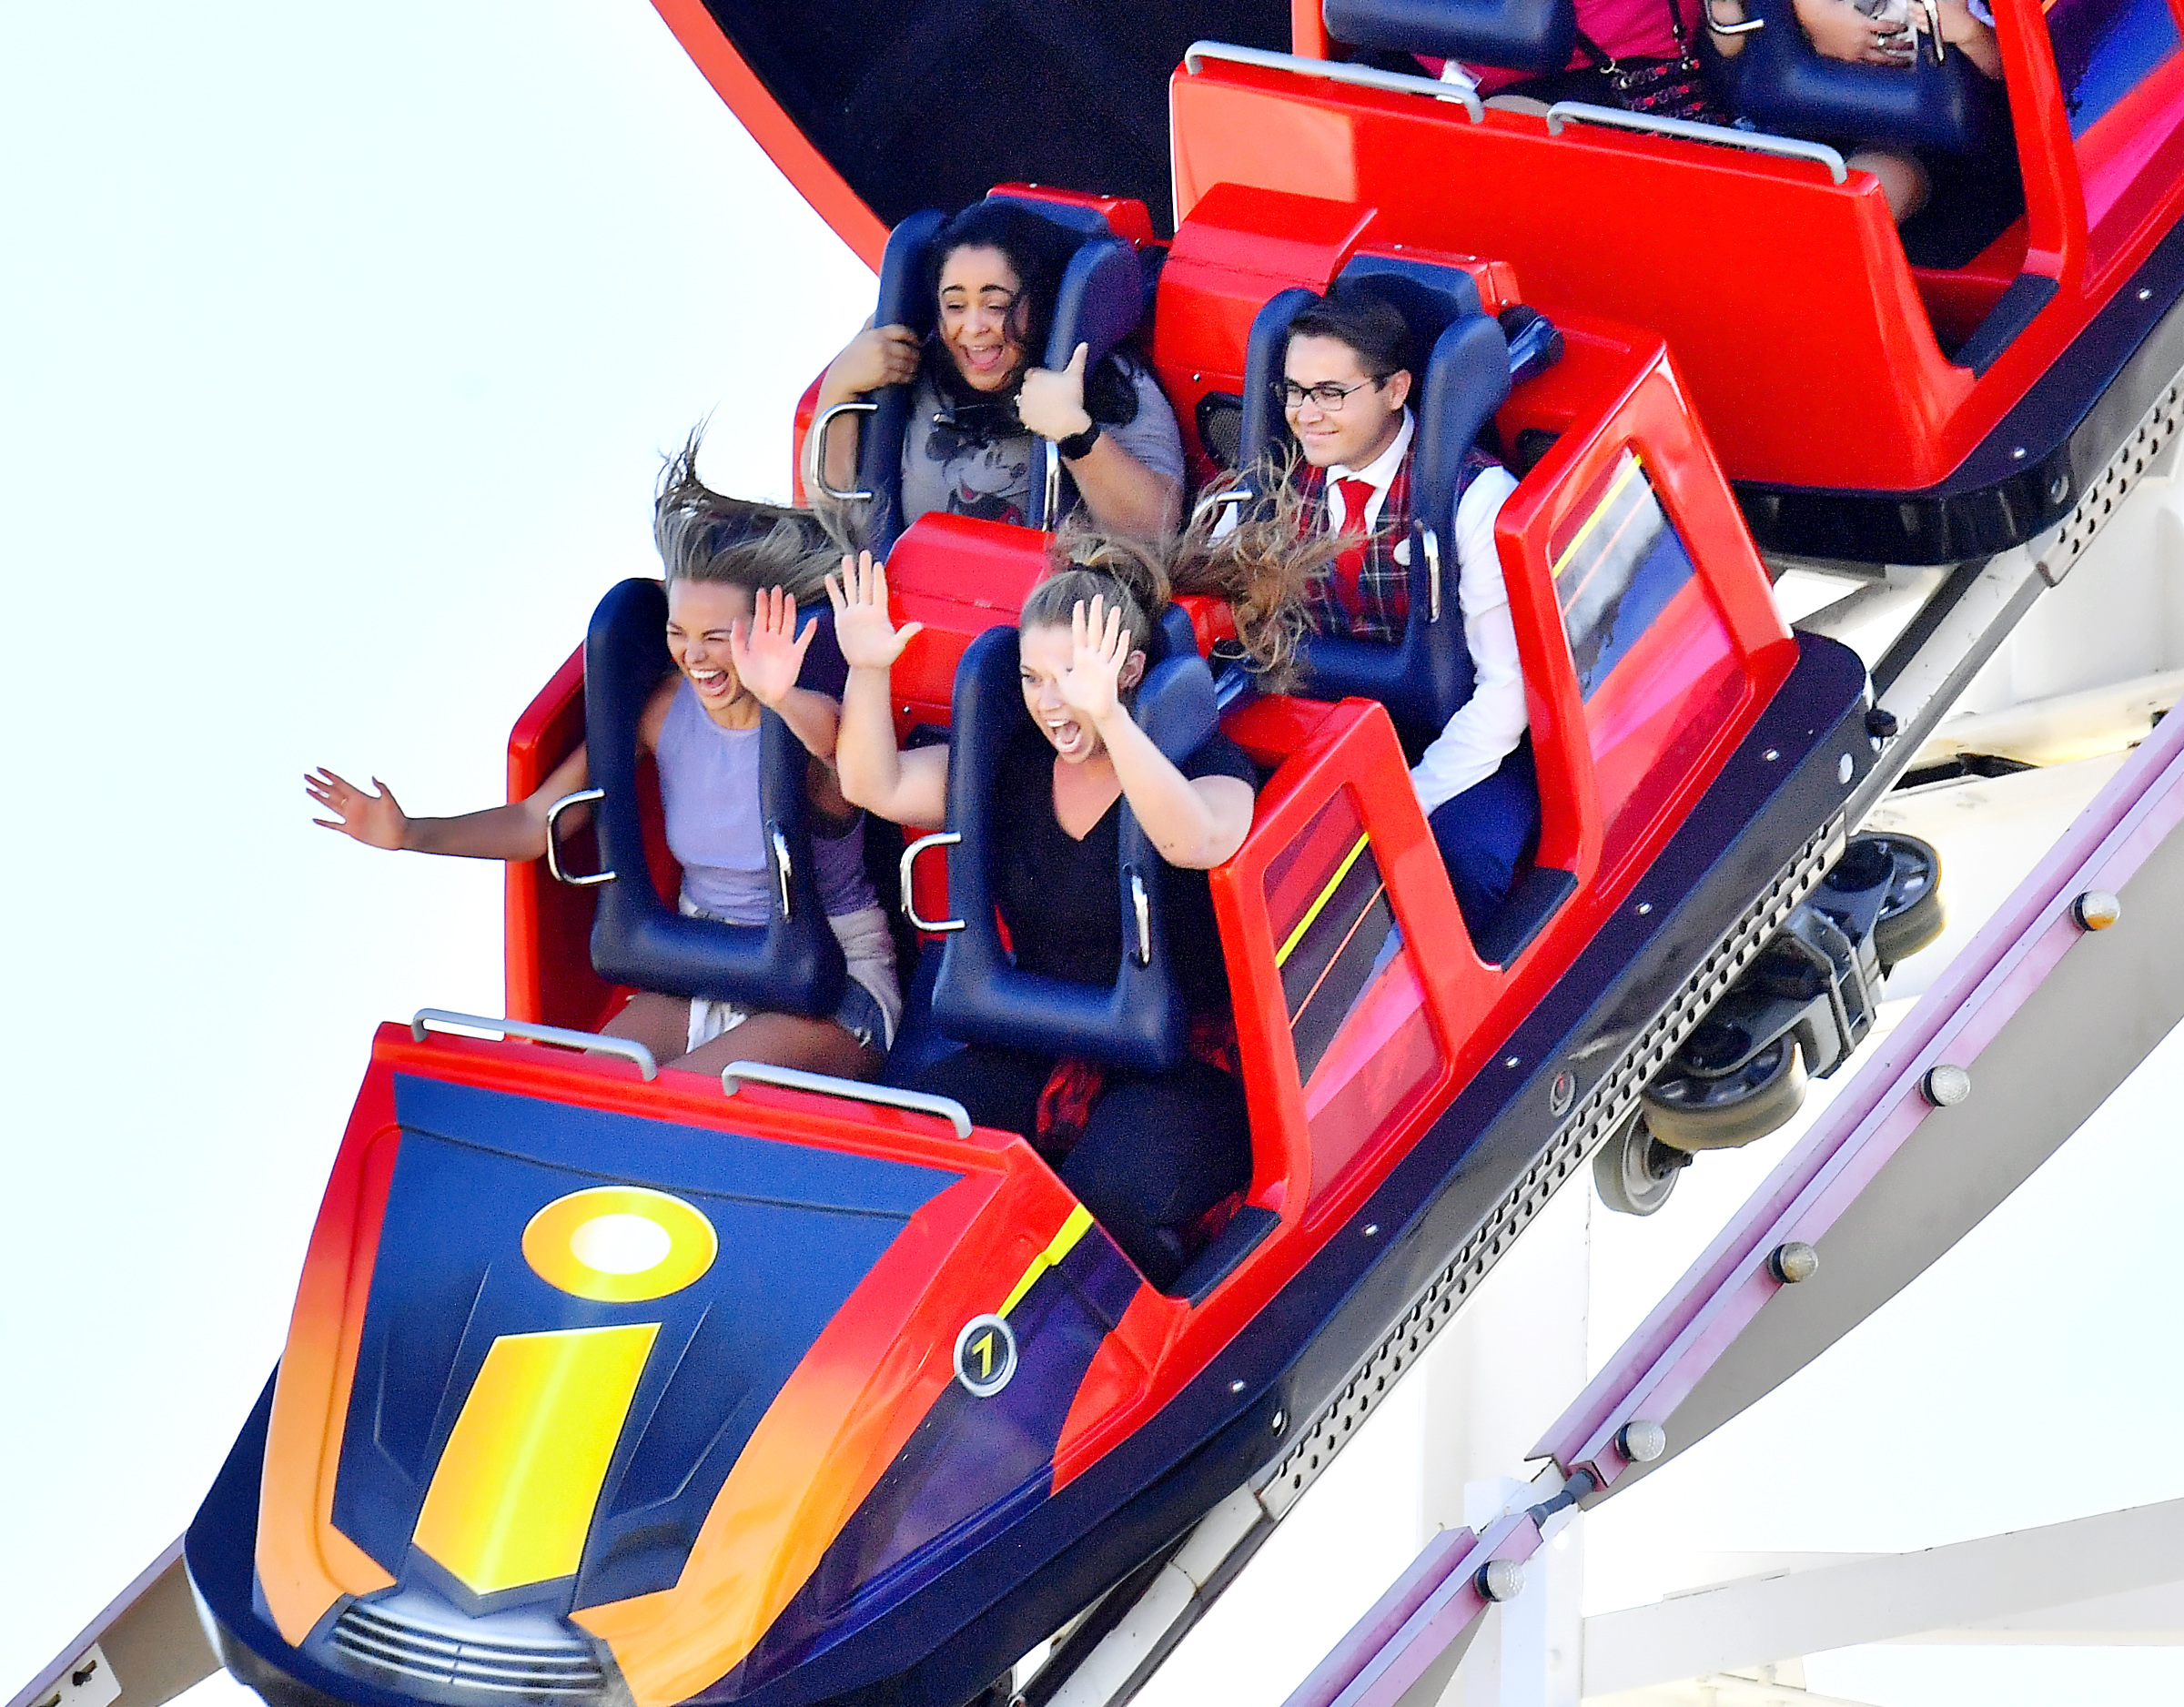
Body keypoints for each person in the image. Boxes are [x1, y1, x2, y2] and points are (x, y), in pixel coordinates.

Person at [306, 442, 901, 1080]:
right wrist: (409, 834)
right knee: (588, 1090)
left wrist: (778, 695)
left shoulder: (811, 715)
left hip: (830, 978)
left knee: (685, 1102)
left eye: (718, 637)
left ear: (767, 628)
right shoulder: (661, 713)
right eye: (680, 635)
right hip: (704, 968)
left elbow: (840, 765)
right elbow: (543, 819)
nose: (696, 657)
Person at [828, 543, 1257, 1290]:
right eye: (1033, 678)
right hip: (1048, 1038)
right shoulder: (1016, 761)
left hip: (1185, 1060)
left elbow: (1195, 838)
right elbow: (878, 785)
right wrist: (868, 668)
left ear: (1126, 671)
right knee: (923, 1139)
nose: (1051, 702)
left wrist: (1114, 724)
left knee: (1107, 1199)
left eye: (1071, 678)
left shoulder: (1202, 760)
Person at [1274, 288, 1538, 938]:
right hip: (1341, 729)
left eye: (1330, 393)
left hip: (1472, 744)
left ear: (1395, 390)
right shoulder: (1280, 483)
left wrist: (1399, 805)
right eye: (1294, 392)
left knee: (1456, 863)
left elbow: (1507, 695)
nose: (1306, 415)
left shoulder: (1473, 501)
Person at [814, 199, 1184, 542]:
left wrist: (1076, 434)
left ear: (1037, 305)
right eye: (956, 305)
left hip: (1050, 606)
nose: (973, 327)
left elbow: (1157, 531)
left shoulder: (1111, 381)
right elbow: (834, 507)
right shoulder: (916, 363)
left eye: (996, 305)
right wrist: (840, 386)